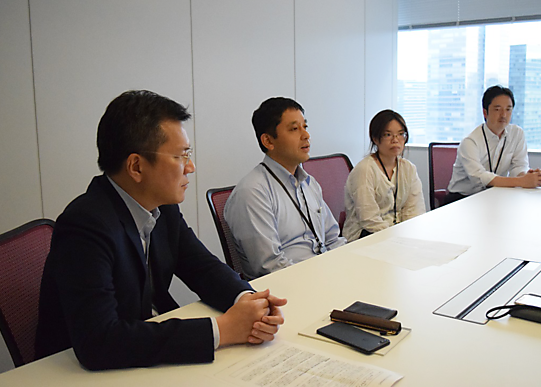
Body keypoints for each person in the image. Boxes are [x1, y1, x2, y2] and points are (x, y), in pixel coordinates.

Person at [35, 90, 286, 370]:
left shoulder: (163, 209)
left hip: (146, 355)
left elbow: (202, 268)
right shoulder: (85, 225)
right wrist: (223, 329)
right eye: (181, 156)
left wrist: (249, 302)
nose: (191, 167)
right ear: (136, 166)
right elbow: (99, 342)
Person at [224, 97, 346, 280]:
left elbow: (333, 239)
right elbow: (270, 266)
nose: (306, 135)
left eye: (305, 126)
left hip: (324, 274)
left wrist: (347, 266)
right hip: (288, 286)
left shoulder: (309, 183)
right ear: (268, 141)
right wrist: (322, 278)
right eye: (294, 129)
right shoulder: (252, 192)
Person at [445, 85, 541, 204]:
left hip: (494, 194)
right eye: (497, 109)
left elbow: (519, 166)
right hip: (462, 199)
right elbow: (479, 177)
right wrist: (522, 182)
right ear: (485, 112)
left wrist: (528, 176)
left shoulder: (517, 133)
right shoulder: (470, 141)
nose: (503, 115)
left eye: (508, 109)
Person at [343, 110, 425, 242]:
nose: (395, 140)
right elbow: (369, 219)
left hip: (397, 235)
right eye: (388, 135)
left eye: (400, 134)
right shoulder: (365, 170)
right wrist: (396, 238)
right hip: (366, 236)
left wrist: (409, 235)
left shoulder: (408, 168)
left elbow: (415, 211)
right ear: (375, 139)